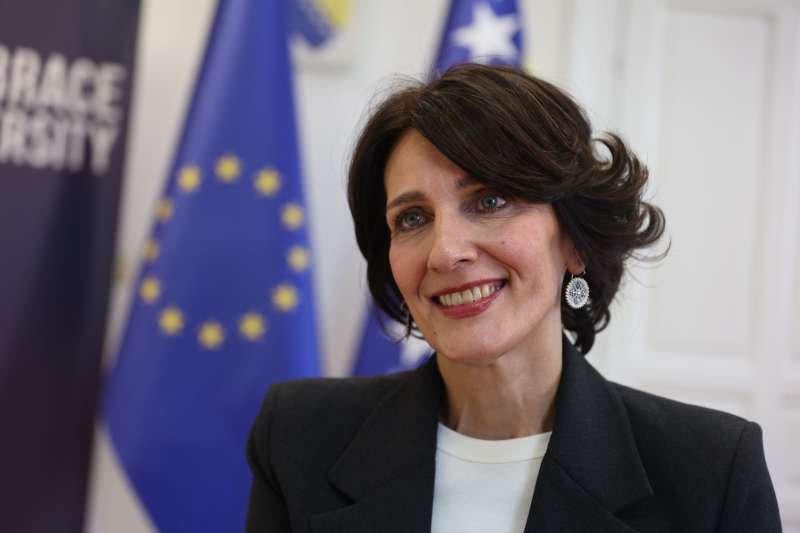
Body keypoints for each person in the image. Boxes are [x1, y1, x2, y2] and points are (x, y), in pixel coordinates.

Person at [245, 64, 782, 532]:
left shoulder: (711, 471)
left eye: (490, 201)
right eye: (412, 218)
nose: (445, 252)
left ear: (574, 240)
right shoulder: (298, 435)